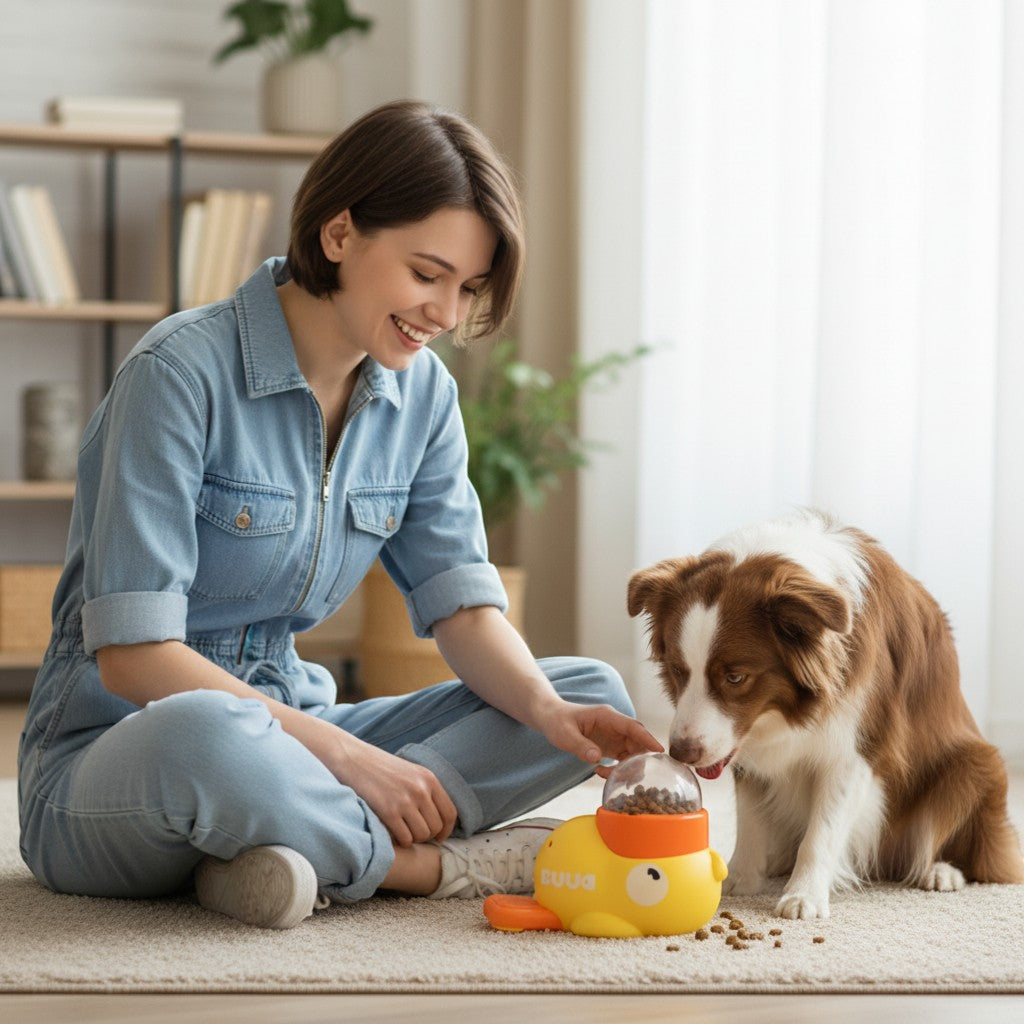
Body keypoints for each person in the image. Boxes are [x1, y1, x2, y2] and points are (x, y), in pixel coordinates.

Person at [17, 100, 661, 929]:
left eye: (467, 289)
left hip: (296, 735)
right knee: (210, 734)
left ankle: (276, 852)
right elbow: (136, 662)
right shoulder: (177, 375)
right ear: (338, 235)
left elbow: (463, 608)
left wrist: (547, 714)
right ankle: (416, 867)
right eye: (427, 275)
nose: (446, 314)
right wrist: (351, 760)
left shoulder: (423, 394)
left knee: (583, 688)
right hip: (112, 764)